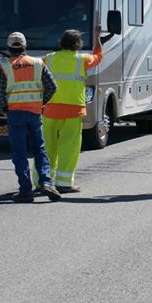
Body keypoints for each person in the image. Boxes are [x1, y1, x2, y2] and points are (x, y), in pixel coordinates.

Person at [42, 25, 112, 193]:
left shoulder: (48, 58)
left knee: (47, 146)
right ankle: (64, 183)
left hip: (50, 109)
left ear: (61, 42)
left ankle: (42, 181)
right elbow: (99, 56)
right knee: (69, 146)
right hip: (72, 110)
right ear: (78, 44)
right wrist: (97, 38)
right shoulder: (82, 60)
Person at [0, 32, 61, 203]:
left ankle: (25, 190)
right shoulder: (38, 63)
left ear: (9, 48)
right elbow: (52, 86)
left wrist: (3, 108)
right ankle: (46, 182)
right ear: (25, 46)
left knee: (20, 152)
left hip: (15, 113)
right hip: (35, 112)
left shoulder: (4, 66)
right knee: (40, 148)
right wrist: (41, 102)